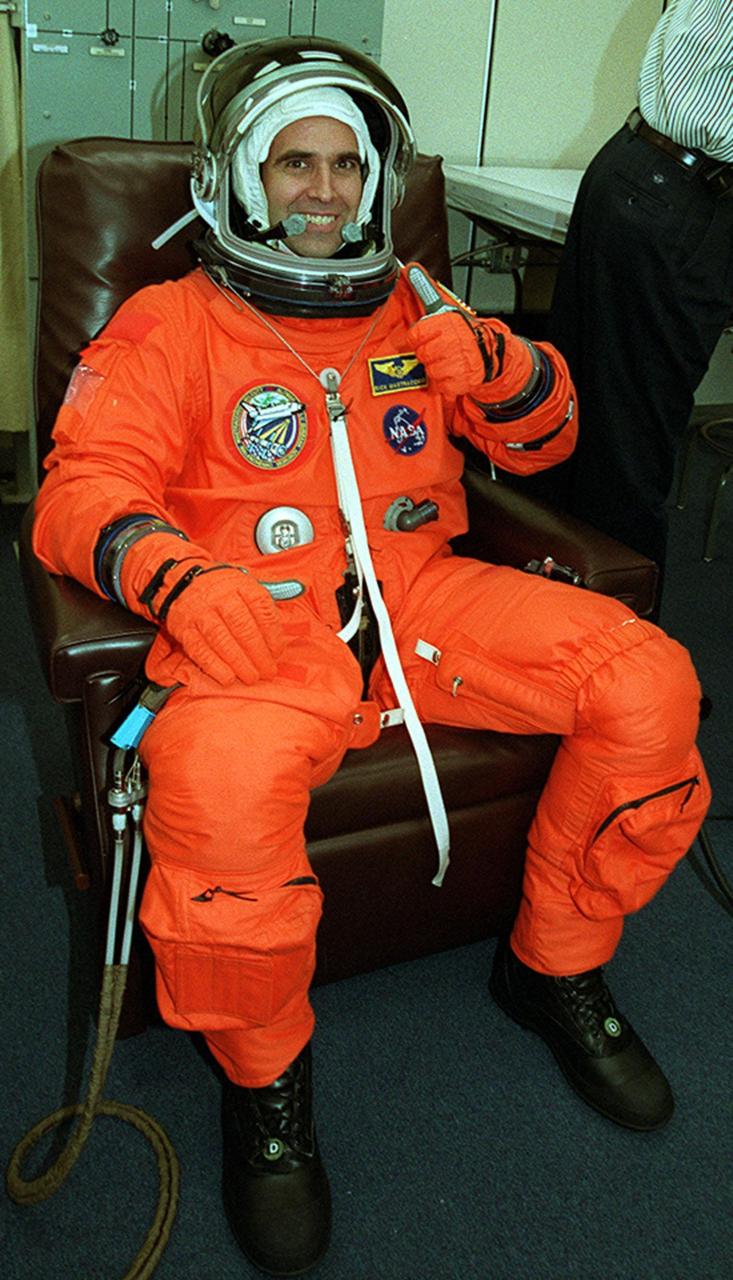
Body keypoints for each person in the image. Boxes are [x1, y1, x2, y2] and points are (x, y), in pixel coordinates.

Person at [32, 36, 711, 1278]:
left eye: (349, 165)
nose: (326, 191)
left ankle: (555, 965)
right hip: (250, 626)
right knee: (218, 794)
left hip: (425, 592)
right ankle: (265, 1087)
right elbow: (78, 492)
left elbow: (549, 438)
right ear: (241, 173)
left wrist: (502, 369)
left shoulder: (416, 304)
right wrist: (176, 575)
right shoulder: (166, 321)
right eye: (296, 161)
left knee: (648, 679)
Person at [546, 0, 733, 619]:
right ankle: (620, 665)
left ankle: (561, 636)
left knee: (582, 427)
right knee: (623, 454)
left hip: (642, 171)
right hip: (679, 195)